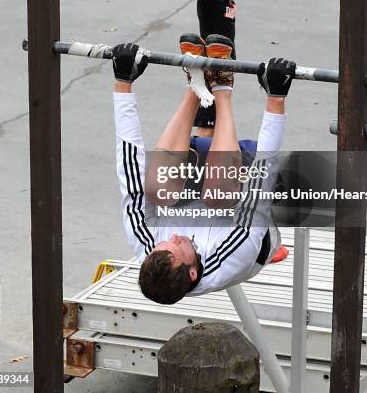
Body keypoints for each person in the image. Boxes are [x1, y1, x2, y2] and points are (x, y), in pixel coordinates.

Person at [111, 36, 296, 305]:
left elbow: (129, 170)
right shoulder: (233, 255)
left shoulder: (147, 245)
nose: (173, 236)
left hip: (193, 170)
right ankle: (222, 84)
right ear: (194, 270)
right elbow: (260, 187)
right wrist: (276, 98)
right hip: (240, 179)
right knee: (218, 196)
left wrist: (123, 82)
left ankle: (194, 84)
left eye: (164, 242)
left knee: (155, 189)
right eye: (179, 244)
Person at [183, 0, 241, 138]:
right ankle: (198, 167)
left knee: (217, 123)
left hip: (225, 67)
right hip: (212, 70)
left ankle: (207, 163)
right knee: (207, 127)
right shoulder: (209, 1)